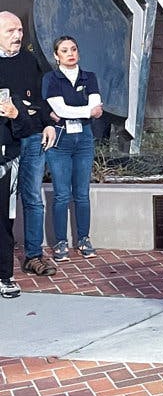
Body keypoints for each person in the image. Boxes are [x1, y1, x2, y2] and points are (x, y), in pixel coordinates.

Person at [0, 12, 57, 277]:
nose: (18, 36)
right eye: (11, 31)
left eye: (20, 30)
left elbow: (40, 99)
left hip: (32, 137)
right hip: (5, 142)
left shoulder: (28, 60)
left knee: (33, 197)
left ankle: (33, 256)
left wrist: (46, 123)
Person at [41, 37, 103, 262]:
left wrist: (78, 111)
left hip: (84, 139)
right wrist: (86, 111)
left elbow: (96, 106)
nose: (70, 53)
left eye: (74, 49)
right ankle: (60, 242)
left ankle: (84, 239)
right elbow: (61, 109)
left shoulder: (90, 77)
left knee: (82, 193)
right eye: (64, 50)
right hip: (60, 140)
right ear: (56, 56)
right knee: (61, 194)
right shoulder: (51, 78)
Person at [0, 90, 29, 298]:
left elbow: (27, 129)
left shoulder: (9, 97)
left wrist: (16, 114)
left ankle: (4, 277)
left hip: (6, 167)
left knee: (3, 223)